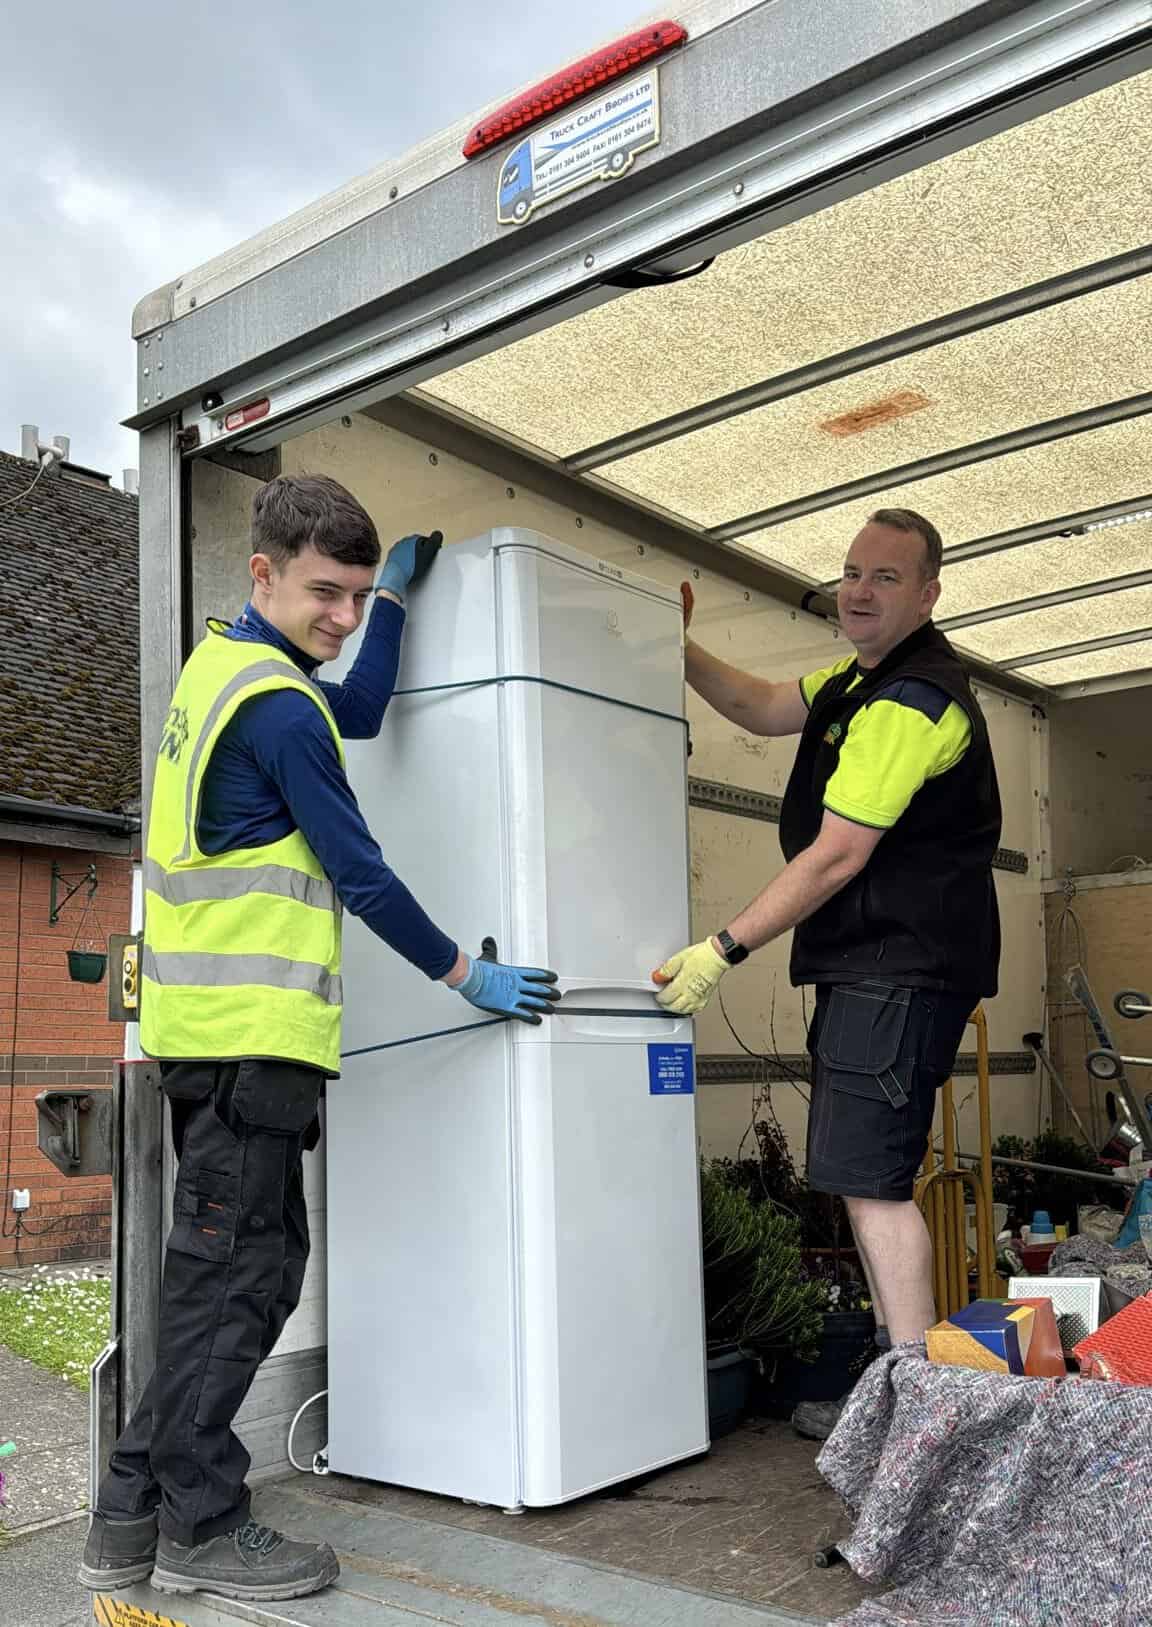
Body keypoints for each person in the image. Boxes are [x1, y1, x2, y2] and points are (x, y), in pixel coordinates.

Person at [80, 475, 560, 1601]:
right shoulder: (281, 708)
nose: (340, 619)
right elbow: (360, 870)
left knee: (242, 1273)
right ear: (263, 573)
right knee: (235, 1281)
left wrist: (392, 605)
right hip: (253, 1042)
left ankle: (126, 1517)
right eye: (325, 595)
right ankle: (198, 1524)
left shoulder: (230, 669)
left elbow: (364, 705)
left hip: (217, 1042)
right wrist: (465, 972)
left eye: (353, 597)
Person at [654, 508, 1001, 1438]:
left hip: (897, 968)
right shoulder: (859, 678)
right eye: (851, 571)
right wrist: (677, 646)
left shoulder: (911, 702)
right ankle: (900, 1384)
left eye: (885, 577)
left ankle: (913, 1408)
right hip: (878, 968)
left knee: (875, 1181)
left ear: (929, 594)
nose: (858, 589)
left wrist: (719, 948)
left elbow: (838, 855)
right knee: (861, 1175)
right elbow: (765, 706)